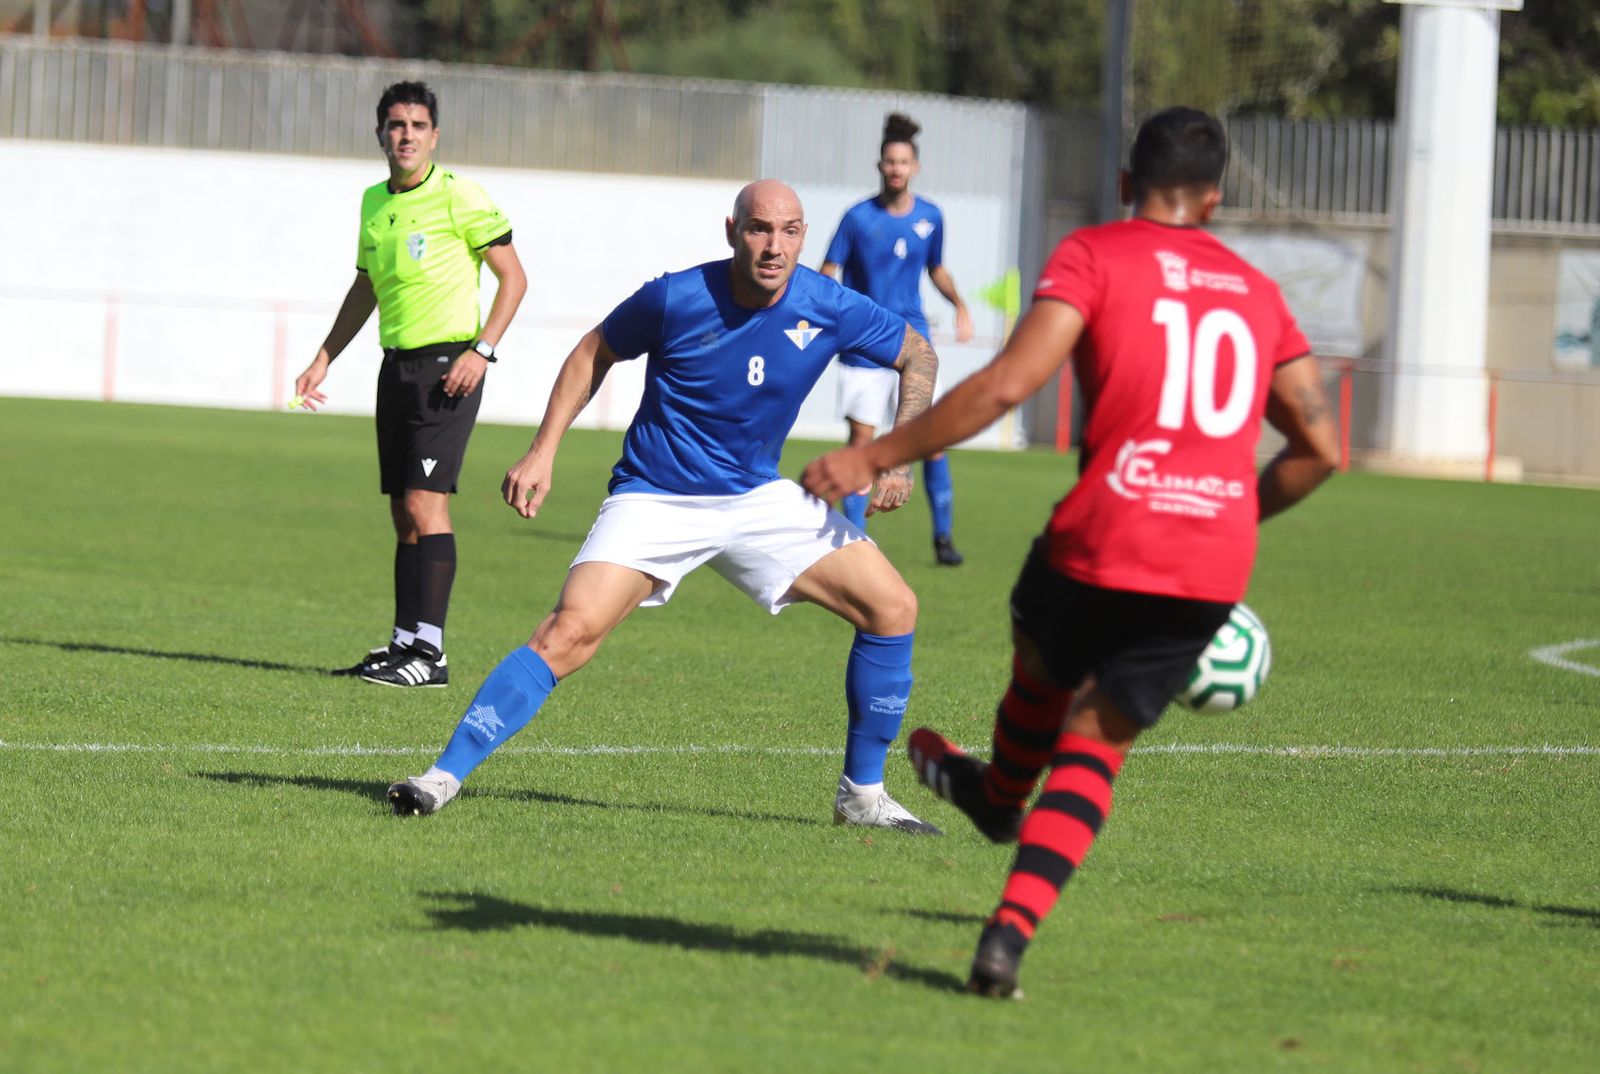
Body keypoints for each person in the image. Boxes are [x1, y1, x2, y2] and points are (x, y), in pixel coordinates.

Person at [802, 107, 1340, 996]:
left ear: (1127, 185)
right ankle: (1005, 940)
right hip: (1208, 564)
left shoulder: (1097, 254)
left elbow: (1010, 382)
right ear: (1214, 199)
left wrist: (873, 453)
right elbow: (1322, 450)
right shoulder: (1257, 292)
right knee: (1094, 752)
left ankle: (999, 794)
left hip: (1102, 534)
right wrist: (1227, 512)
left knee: (1041, 673)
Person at [386, 179, 945, 834]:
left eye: (789, 231)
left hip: (757, 496)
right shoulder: (676, 296)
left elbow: (918, 354)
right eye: (760, 228)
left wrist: (898, 454)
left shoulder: (828, 305)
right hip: (657, 494)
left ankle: (863, 794)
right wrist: (543, 451)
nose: (774, 246)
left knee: (894, 607)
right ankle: (442, 776)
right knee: (568, 632)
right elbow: (595, 351)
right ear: (732, 229)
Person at [293, 81, 527, 689]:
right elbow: (365, 287)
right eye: (396, 125)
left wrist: (482, 351)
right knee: (403, 512)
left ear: (435, 135)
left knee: (428, 504)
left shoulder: (462, 196)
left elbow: (514, 280)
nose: (406, 136)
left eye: (418, 126)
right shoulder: (374, 202)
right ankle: (403, 644)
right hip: (395, 368)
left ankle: (433, 653)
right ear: (381, 134)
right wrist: (324, 357)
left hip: (450, 367)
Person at [820, 112, 975, 566]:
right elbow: (829, 272)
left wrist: (960, 304)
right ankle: (854, 541)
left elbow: (937, 268)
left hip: (914, 346)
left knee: (931, 441)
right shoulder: (856, 218)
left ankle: (943, 540)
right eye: (889, 161)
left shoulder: (931, 217)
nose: (896, 169)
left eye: (903, 162)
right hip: (863, 349)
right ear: (880, 165)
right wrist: (817, 315)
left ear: (915, 167)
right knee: (862, 446)